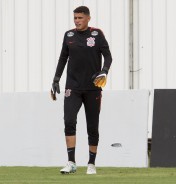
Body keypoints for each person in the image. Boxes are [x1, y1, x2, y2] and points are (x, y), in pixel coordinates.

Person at [51, 6, 112, 174]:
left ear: (88, 18)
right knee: (69, 121)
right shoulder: (68, 35)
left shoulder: (97, 34)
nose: (77, 20)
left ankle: (91, 164)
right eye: (75, 18)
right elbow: (63, 58)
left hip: (93, 88)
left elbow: (108, 56)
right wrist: (56, 79)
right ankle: (71, 162)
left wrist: (104, 71)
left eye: (80, 17)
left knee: (92, 126)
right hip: (73, 87)